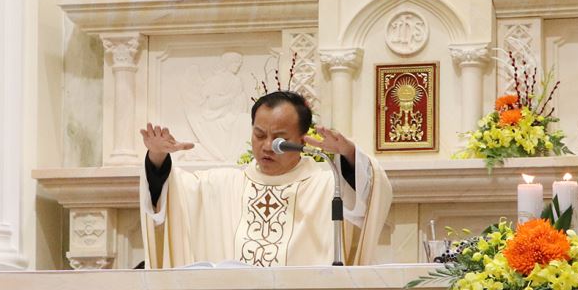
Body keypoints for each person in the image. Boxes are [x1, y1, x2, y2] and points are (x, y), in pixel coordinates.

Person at [138, 91, 392, 267]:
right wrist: (158, 155)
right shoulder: (221, 185)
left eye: (280, 139)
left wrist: (349, 154)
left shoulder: (328, 186)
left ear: (302, 139)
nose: (268, 146)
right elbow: (169, 193)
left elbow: (369, 195)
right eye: (259, 135)